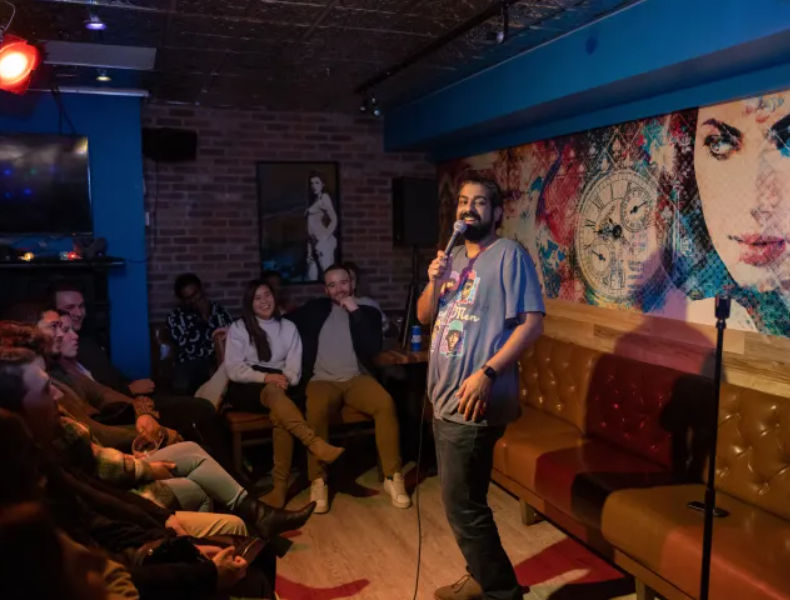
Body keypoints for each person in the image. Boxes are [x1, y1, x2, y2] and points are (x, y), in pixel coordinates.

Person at [0, 321, 316, 539]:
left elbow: (109, 395)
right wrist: (144, 465)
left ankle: (256, 512)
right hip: (121, 469)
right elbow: (97, 461)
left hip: (125, 437)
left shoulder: (66, 372)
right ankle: (232, 530)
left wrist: (142, 409)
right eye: (55, 326)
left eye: (65, 326)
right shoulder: (39, 437)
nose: (65, 332)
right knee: (194, 455)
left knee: (193, 441)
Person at [417, 174, 544, 600]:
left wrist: (487, 373)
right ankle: (480, 575)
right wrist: (434, 279)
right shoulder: (452, 255)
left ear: (496, 212)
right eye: (463, 201)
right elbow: (423, 316)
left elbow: (532, 323)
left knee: (463, 508)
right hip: (443, 398)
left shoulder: (507, 254)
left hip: (474, 401)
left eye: (479, 202)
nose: (468, 208)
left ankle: (502, 591)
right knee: (465, 502)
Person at [286, 264, 410, 513]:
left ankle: (392, 477)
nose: (339, 289)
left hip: (356, 378)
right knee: (316, 410)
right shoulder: (315, 309)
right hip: (322, 379)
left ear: (351, 283)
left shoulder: (367, 312)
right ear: (326, 289)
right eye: (332, 285)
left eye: (343, 283)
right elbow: (280, 321)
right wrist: (237, 328)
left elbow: (372, 346)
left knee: (385, 404)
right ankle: (318, 480)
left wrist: (355, 312)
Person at [223, 279, 344, 507]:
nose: (264, 301)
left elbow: (294, 368)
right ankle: (314, 442)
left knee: (281, 415)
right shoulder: (239, 328)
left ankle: (279, 490)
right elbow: (234, 369)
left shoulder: (288, 327)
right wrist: (267, 378)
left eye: (267, 295)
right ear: (250, 303)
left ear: (274, 296)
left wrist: (283, 380)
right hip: (247, 385)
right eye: (257, 298)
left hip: (282, 383)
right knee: (274, 394)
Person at [51, 280, 156, 397]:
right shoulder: (57, 355)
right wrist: (129, 390)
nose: (79, 313)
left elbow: (111, 376)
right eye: (70, 307)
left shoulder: (86, 343)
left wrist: (132, 386)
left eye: (81, 306)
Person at [167, 273, 233, 395]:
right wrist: (202, 318)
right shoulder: (176, 317)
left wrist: (208, 316)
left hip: (219, 360)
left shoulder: (219, 311)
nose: (194, 300)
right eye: (188, 298)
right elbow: (187, 348)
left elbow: (232, 336)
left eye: (196, 294)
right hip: (189, 363)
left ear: (202, 290)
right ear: (182, 300)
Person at [305, 172, 339, 281]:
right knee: (312, 277)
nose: (314, 186)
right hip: (314, 243)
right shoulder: (314, 200)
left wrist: (324, 239)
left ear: (323, 184)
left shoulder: (324, 197)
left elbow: (334, 219)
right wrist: (309, 251)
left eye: (317, 183)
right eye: (312, 183)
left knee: (328, 276)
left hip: (323, 243)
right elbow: (309, 228)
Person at [343, 261, 390, 334]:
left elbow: (384, 325)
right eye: (344, 280)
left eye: (351, 279)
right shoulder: (331, 307)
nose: (348, 283)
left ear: (356, 282)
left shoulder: (368, 303)